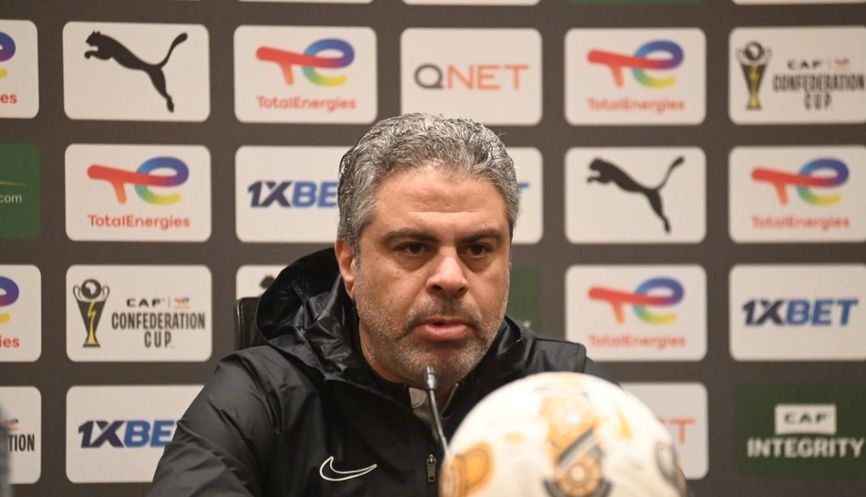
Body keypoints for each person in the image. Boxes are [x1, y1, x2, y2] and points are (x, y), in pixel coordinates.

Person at [147, 113, 615, 497]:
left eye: (477, 249)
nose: (451, 278)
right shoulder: (264, 396)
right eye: (413, 247)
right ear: (349, 262)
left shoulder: (571, 392)